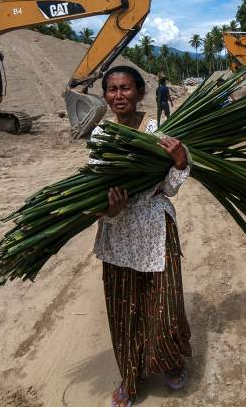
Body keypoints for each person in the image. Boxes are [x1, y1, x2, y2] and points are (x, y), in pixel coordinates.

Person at [91, 65, 192, 407]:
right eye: (112, 89)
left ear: (139, 92)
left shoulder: (157, 130)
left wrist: (179, 163)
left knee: (163, 304)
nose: (119, 95)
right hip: (118, 233)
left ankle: (171, 361)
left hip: (154, 229)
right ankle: (131, 375)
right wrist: (109, 210)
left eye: (126, 88)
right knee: (124, 307)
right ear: (105, 95)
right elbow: (93, 190)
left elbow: (168, 189)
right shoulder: (101, 137)